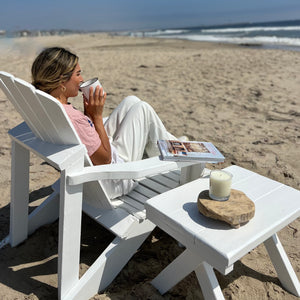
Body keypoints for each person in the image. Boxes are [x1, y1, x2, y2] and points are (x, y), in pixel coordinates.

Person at [31, 47, 176, 198]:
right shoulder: (75, 119)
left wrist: (89, 115)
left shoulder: (49, 106)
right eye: (78, 74)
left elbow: (85, 135)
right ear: (61, 81)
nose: (81, 80)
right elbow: (104, 160)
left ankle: (170, 141)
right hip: (114, 176)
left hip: (92, 166)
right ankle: (175, 152)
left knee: (131, 101)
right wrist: (97, 117)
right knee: (143, 109)